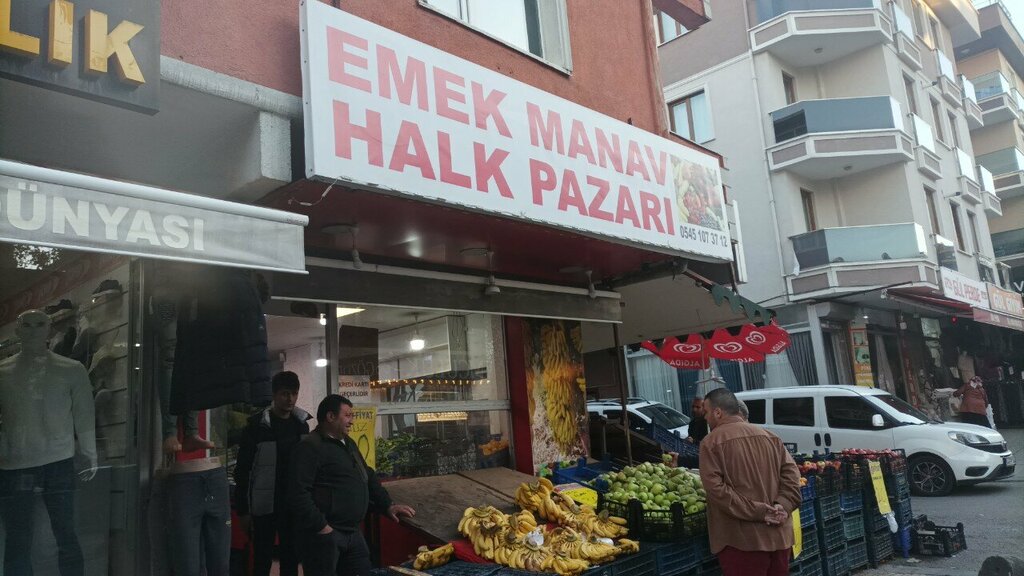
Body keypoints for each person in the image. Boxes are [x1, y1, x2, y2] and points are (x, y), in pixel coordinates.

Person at [0, 309, 97, 576]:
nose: (32, 330)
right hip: (15, 464)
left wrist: (90, 454)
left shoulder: (71, 370)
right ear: (17, 331)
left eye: (39, 324)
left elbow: (85, 416)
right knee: (19, 539)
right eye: (26, 325)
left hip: (58, 462)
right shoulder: (2, 372)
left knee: (65, 533)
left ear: (49, 328)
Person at [289, 395, 416, 576]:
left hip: (353, 532)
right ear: (330, 417)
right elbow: (298, 493)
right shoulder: (310, 447)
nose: (352, 421)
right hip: (325, 535)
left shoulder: (348, 443)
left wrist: (388, 505)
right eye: (347, 415)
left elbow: (368, 476)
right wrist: (322, 527)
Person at [699, 388, 801, 576]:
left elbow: (717, 491)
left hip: (742, 541)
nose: (704, 418)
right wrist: (782, 505)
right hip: (779, 536)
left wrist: (760, 512)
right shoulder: (770, 436)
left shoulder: (710, 443)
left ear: (718, 412)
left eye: (705, 412)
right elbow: (792, 476)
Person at [235, 371, 312, 576]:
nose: (290, 399)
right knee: (261, 561)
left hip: (292, 504)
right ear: (274, 394)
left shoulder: (302, 425)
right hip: (264, 505)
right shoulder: (257, 427)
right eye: (285, 394)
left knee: (291, 559)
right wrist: (243, 510)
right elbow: (242, 470)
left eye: (294, 394)